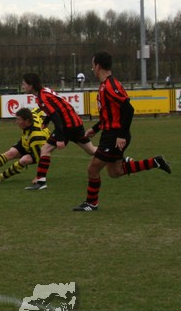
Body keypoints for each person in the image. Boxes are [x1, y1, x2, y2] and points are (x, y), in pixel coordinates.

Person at [72, 52, 172, 212]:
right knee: (115, 171)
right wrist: (95, 129)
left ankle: (91, 203)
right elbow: (112, 113)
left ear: (98, 66)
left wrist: (121, 135)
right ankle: (155, 162)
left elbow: (128, 109)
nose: (92, 68)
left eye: (93, 65)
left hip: (114, 136)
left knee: (92, 169)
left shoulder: (110, 85)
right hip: (110, 134)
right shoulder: (105, 85)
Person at [20, 73, 96, 190]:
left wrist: (60, 138)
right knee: (91, 150)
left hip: (67, 126)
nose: (23, 86)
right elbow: (56, 108)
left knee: (45, 149)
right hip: (75, 123)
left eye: (24, 84)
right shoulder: (44, 91)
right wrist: (46, 121)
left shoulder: (42, 97)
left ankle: (41, 182)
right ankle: (117, 155)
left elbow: (56, 116)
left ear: (31, 85)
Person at [0, 107, 50, 185]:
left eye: (19, 120)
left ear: (27, 121)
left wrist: (39, 177)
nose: (16, 122)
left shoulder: (36, 137)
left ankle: (0, 178)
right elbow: (41, 108)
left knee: (24, 160)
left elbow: (40, 159)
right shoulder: (32, 115)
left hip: (39, 147)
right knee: (11, 153)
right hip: (27, 141)